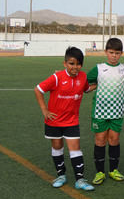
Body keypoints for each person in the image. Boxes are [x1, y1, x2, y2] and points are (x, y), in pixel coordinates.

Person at [34, 46, 94, 191]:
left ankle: (80, 179)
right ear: (65, 63)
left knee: (75, 149)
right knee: (57, 147)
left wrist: (101, 84)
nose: (75, 67)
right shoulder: (57, 77)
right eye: (71, 63)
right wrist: (45, 110)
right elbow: (38, 89)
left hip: (72, 121)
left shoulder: (83, 77)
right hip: (54, 121)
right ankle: (61, 175)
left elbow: (86, 89)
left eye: (78, 64)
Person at [87, 38, 124, 185]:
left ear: (121, 54)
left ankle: (113, 170)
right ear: (106, 52)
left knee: (114, 140)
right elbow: (84, 82)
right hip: (99, 112)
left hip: (117, 112)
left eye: (117, 53)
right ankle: (99, 172)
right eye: (111, 52)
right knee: (100, 140)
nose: (114, 56)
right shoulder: (98, 68)